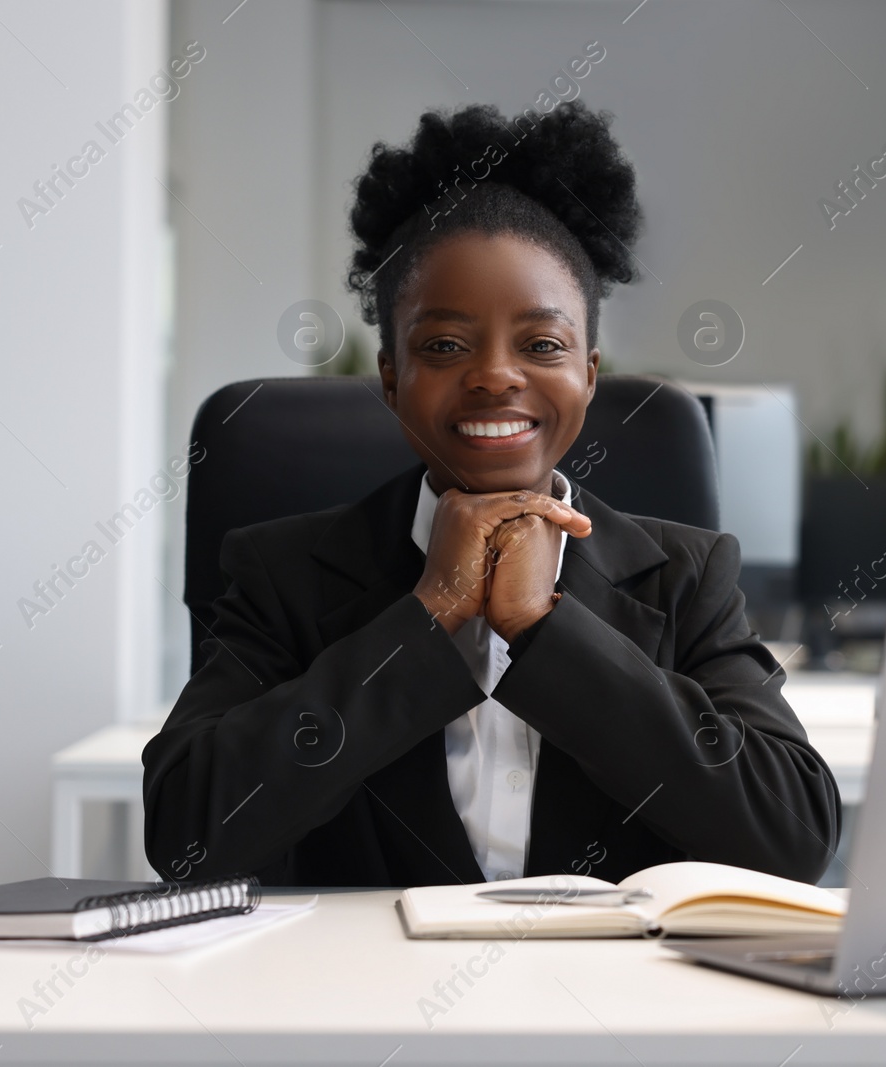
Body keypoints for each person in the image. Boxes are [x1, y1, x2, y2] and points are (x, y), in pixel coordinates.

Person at [143, 100, 840, 888]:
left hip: (618, 1002)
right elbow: (186, 834)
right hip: (363, 996)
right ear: (390, 379)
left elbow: (791, 838)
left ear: (588, 374)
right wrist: (430, 612)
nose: (495, 376)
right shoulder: (285, 574)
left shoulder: (684, 575)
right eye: (443, 345)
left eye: (542, 345)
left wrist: (545, 628)